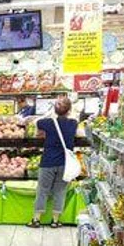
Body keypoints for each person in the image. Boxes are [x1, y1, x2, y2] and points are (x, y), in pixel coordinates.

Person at [29, 96, 78, 228]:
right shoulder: (73, 123)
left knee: (42, 190)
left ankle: (36, 219)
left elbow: (36, 122)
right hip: (64, 163)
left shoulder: (48, 123)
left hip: (48, 161)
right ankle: (55, 221)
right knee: (60, 191)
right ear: (69, 110)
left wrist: (51, 112)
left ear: (55, 110)